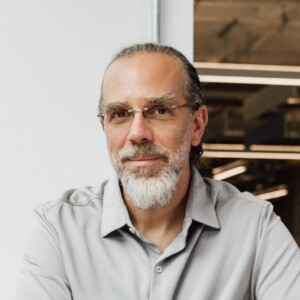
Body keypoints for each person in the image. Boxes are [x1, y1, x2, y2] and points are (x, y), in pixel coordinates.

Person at [15, 43, 300, 300]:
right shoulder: (60, 229)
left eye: (160, 110)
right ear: (105, 129)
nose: (138, 133)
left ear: (197, 125)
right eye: (120, 114)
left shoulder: (255, 228)